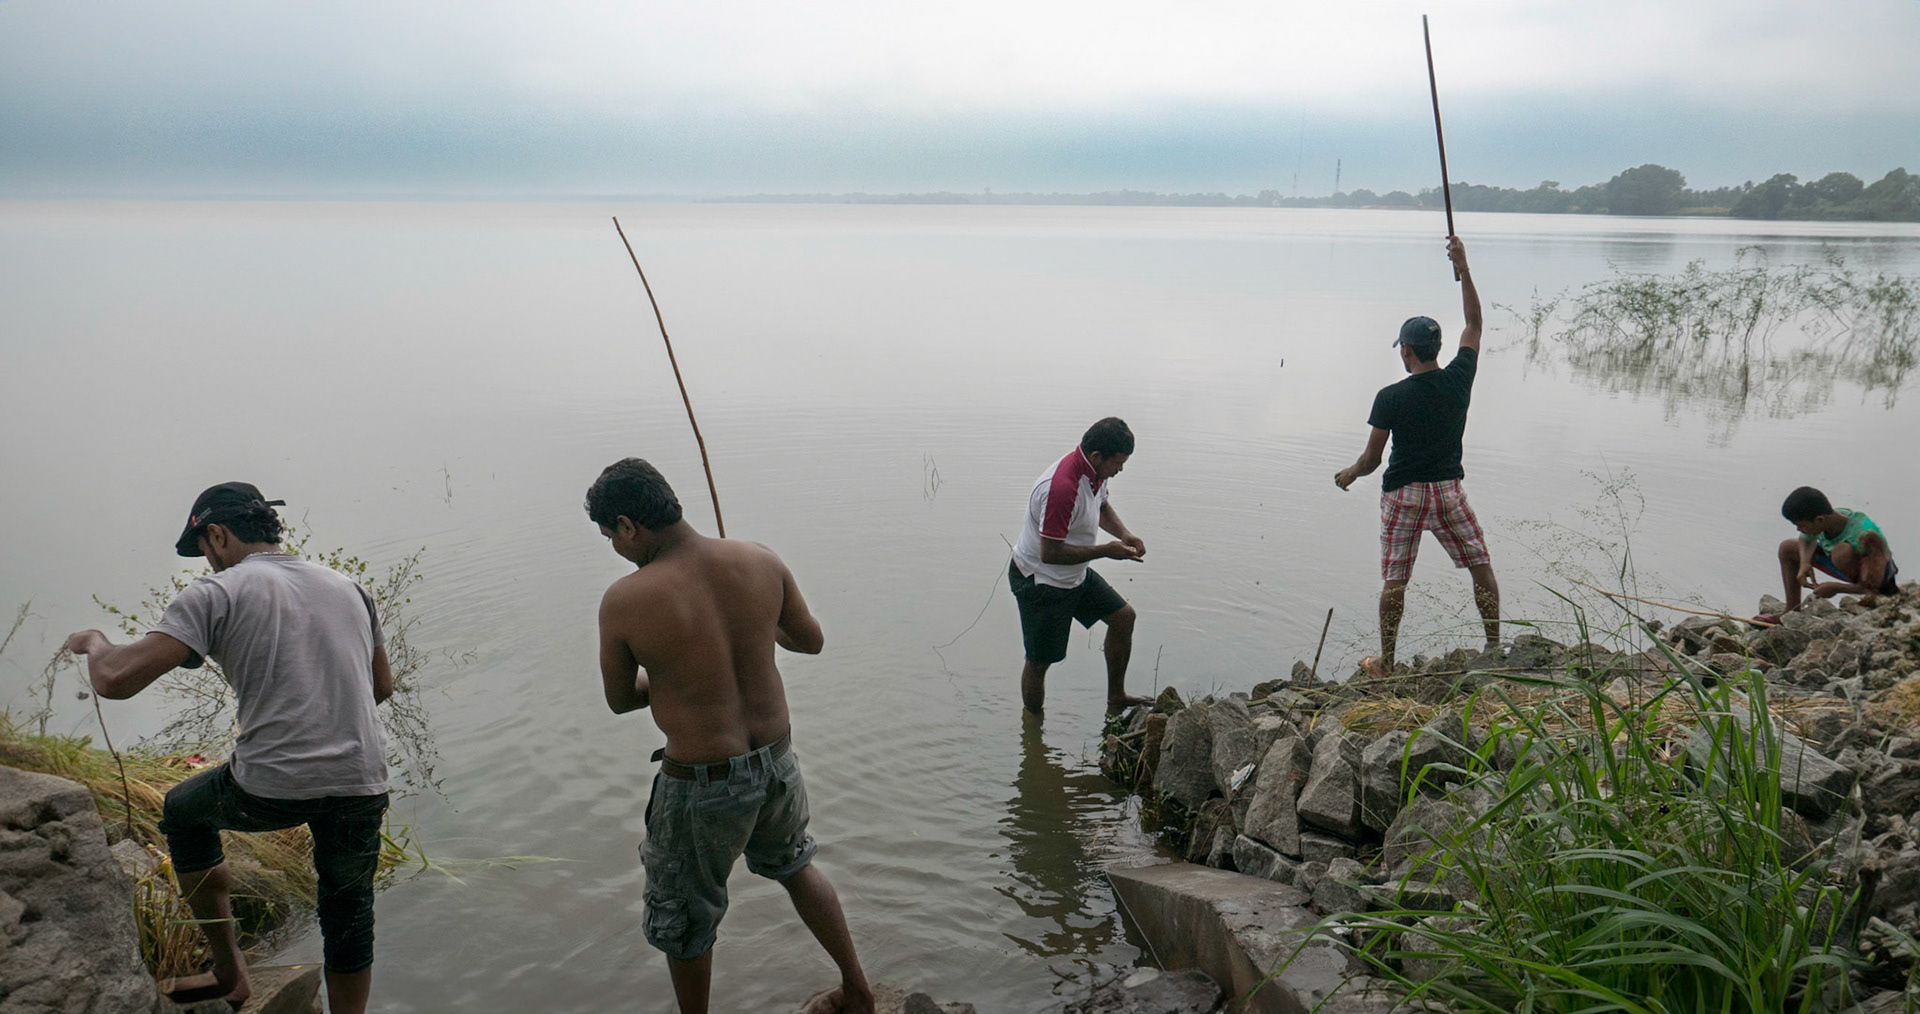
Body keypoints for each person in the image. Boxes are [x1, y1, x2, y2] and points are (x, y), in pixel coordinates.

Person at [63, 483, 392, 1014]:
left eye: (205, 551)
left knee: (183, 813)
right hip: (362, 778)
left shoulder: (217, 593)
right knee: (349, 910)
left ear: (216, 534)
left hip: (271, 785)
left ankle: (229, 974)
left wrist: (93, 642)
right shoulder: (347, 585)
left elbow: (116, 680)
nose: (208, 565)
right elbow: (380, 687)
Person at [588, 458, 873, 1014]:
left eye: (610, 536)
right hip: (777, 763)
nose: (615, 549)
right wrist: (754, 632)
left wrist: (671, 672)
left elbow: (622, 698)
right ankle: (858, 991)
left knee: (682, 917)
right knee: (796, 865)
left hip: (701, 784)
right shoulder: (759, 559)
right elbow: (809, 641)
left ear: (628, 525)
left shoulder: (624, 600)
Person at [1335, 236, 1498, 673]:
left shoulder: (1390, 396)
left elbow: (1372, 460)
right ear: (1437, 349)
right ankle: (1495, 647)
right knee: (1479, 562)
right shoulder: (1460, 377)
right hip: (1448, 492)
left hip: (1405, 495)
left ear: (1406, 350)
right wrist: (1464, 268)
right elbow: (1475, 323)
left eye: (1402, 348)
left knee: (1395, 580)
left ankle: (1387, 662)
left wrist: (1350, 473)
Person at [1008, 417, 1148, 715]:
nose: (1120, 469)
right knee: (1039, 661)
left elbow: (1101, 506)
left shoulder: (1096, 471)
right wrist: (1105, 551)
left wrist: (1124, 535)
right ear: (1097, 456)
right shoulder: (1062, 487)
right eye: (1118, 463)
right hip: (1041, 580)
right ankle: (1033, 731)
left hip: (1074, 574)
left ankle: (1116, 697)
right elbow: (1050, 553)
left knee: (1124, 618)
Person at [1758, 486, 1901, 623]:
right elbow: (1806, 539)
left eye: (1802, 525)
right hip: (1835, 559)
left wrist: (1836, 588)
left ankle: (1858, 590)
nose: (1798, 529)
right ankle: (1791, 610)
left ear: (1819, 520)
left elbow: (1880, 585)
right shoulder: (1829, 518)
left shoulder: (1864, 534)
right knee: (1787, 548)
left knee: (1841, 553)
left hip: (1875, 577)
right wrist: (1804, 563)